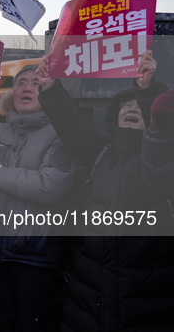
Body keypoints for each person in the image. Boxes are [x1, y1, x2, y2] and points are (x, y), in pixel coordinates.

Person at [36, 51, 174, 331]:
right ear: (114, 119)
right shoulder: (99, 150)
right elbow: (71, 125)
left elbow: (163, 137)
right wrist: (51, 87)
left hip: (146, 293)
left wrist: (146, 90)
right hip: (91, 290)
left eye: (139, 107)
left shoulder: (162, 155)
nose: (132, 109)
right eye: (126, 106)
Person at [0, 66, 76, 332]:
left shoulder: (60, 134)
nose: (28, 87)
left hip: (33, 255)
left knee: (31, 325)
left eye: (36, 83)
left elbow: (49, 185)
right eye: (21, 82)